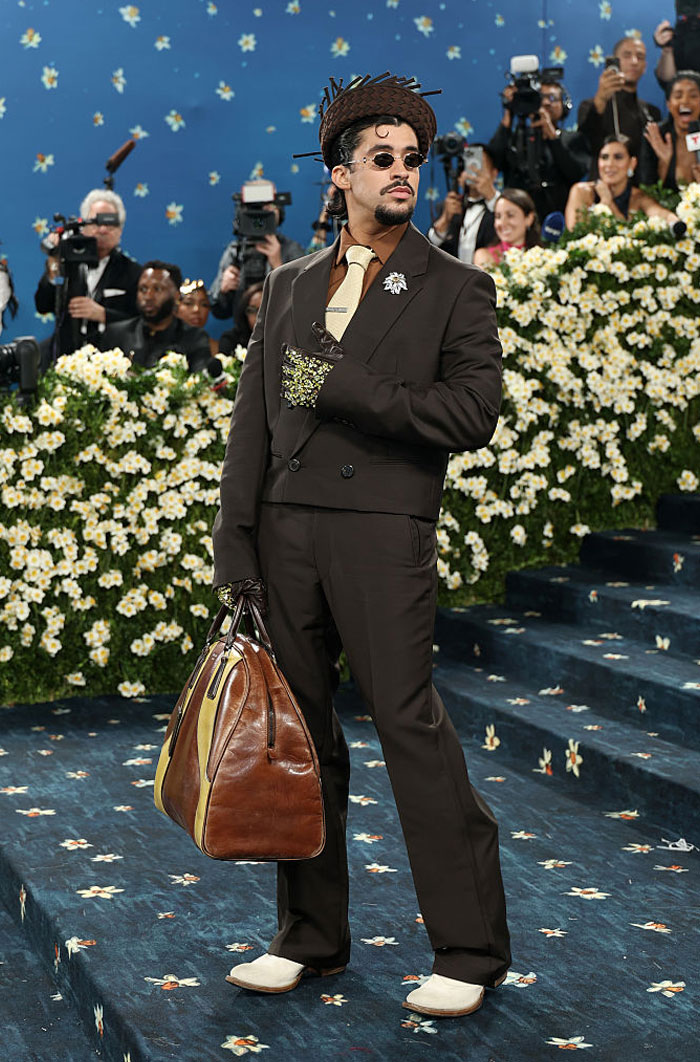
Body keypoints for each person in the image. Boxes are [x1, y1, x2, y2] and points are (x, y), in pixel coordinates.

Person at [211, 70, 511, 1019]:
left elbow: (472, 415)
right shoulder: (289, 282)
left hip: (384, 537)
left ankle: (467, 950)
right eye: (381, 158)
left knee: (410, 731)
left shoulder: (457, 286)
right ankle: (309, 936)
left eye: (413, 160)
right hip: (286, 533)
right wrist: (237, 547)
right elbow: (251, 425)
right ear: (339, 174)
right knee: (301, 743)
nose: (402, 174)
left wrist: (350, 389)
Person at [34, 188, 141, 359]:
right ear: (83, 226)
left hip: (111, 361)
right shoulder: (65, 264)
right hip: (65, 359)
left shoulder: (134, 273)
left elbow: (140, 322)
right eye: (96, 222)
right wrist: (54, 264)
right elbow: (42, 305)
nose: (103, 229)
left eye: (110, 223)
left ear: (120, 231)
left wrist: (103, 314)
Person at [487, 79, 590, 219]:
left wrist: (553, 138)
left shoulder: (574, 139)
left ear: (564, 105)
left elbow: (575, 173)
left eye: (553, 98)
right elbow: (493, 163)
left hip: (558, 215)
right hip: (518, 219)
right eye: (541, 97)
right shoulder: (515, 138)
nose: (546, 103)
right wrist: (509, 112)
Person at [208, 181, 305, 321]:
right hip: (243, 335)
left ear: (279, 212)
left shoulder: (291, 249)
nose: (261, 213)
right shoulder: (235, 251)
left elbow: (303, 304)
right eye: (255, 207)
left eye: (267, 206)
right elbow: (220, 312)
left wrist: (278, 265)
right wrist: (224, 291)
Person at [99, 260, 210, 371]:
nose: (148, 297)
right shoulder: (116, 334)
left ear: (176, 296)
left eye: (157, 289)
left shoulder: (194, 338)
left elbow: (199, 383)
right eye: (143, 289)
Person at [578, 37, 662, 171]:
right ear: (615, 62)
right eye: (627, 55)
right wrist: (600, 100)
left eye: (640, 57)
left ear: (645, 66)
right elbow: (586, 143)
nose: (634, 62)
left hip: (643, 189)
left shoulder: (652, 112)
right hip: (604, 186)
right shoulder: (589, 106)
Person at [565, 135, 684, 229]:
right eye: (604, 157)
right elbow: (575, 231)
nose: (609, 164)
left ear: (632, 164)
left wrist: (608, 202)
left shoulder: (638, 197)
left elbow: (662, 214)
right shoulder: (581, 191)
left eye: (618, 157)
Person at [427, 145, 499, 263]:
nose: (473, 172)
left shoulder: (503, 206)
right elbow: (428, 247)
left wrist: (491, 196)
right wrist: (445, 219)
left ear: (494, 174)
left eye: (478, 166)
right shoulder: (450, 206)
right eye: (468, 166)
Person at [638, 70, 700, 189]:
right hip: (663, 206)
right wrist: (664, 163)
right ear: (669, 104)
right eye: (678, 96)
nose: (685, 101)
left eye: (693, 96)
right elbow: (648, 190)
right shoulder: (656, 136)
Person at [473, 189, 541, 268]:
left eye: (510, 215)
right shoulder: (484, 256)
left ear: (529, 218)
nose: (502, 223)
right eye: (498, 216)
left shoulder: (544, 257)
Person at [218, 281, 263, 355]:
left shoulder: (286, 339)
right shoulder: (231, 340)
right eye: (252, 310)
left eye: (263, 309)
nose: (258, 316)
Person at [177, 278, 219, 355]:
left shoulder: (218, 350)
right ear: (175, 307)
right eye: (189, 303)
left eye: (204, 304)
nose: (196, 310)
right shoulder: (162, 345)